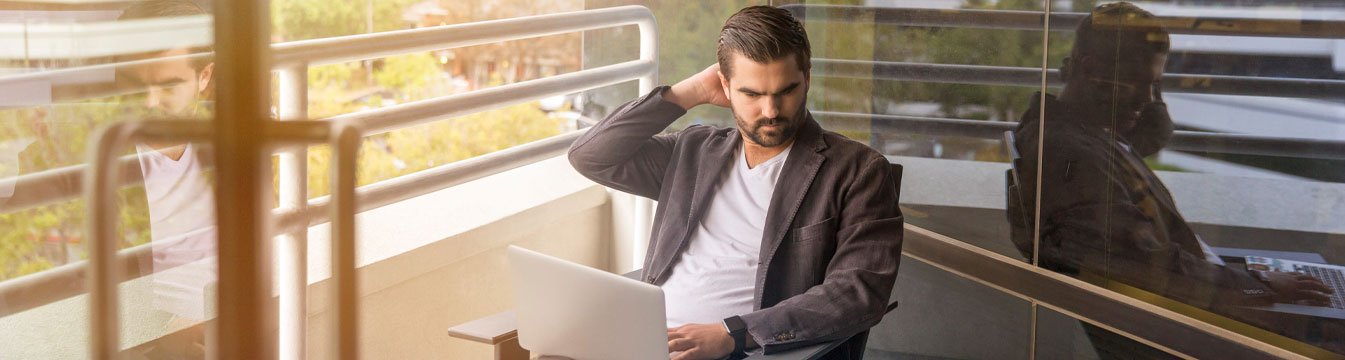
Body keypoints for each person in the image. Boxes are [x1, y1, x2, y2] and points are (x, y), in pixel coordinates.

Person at [568, 6, 903, 360]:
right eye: (752, 94)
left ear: (807, 77)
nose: (771, 110)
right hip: (647, 339)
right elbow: (591, 156)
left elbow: (857, 293)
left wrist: (735, 334)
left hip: (745, 352)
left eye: (786, 90)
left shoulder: (856, 171)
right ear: (725, 86)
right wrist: (687, 92)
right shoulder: (694, 152)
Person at [1006, 2, 1336, 356]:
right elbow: (1149, 268)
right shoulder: (1075, 158)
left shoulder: (1086, 131)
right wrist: (1258, 286)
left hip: (1204, 289)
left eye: (1155, 85)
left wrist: (1256, 280)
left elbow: (1156, 130)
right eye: (1137, 82)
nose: (1148, 99)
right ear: (1091, 70)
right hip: (1198, 324)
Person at [116, 0, 218, 357]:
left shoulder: (225, 144)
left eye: (168, 86)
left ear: (204, 77)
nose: (149, 102)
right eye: (139, 84)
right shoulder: (102, 161)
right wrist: (159, 335)